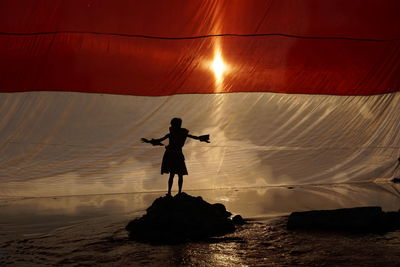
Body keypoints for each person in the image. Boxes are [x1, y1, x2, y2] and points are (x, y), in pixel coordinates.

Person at [141, 118, 210, 195]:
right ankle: (171, 192)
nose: (172, 126)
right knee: (174, 174)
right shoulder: (178, 133)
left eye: (173, 124)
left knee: (176, 174)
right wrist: (149, 141)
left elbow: (195, 137)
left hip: (174, 155)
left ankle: (176, 192)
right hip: (172, 155)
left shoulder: (178, 133)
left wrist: (149, 141)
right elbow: (160, 140)